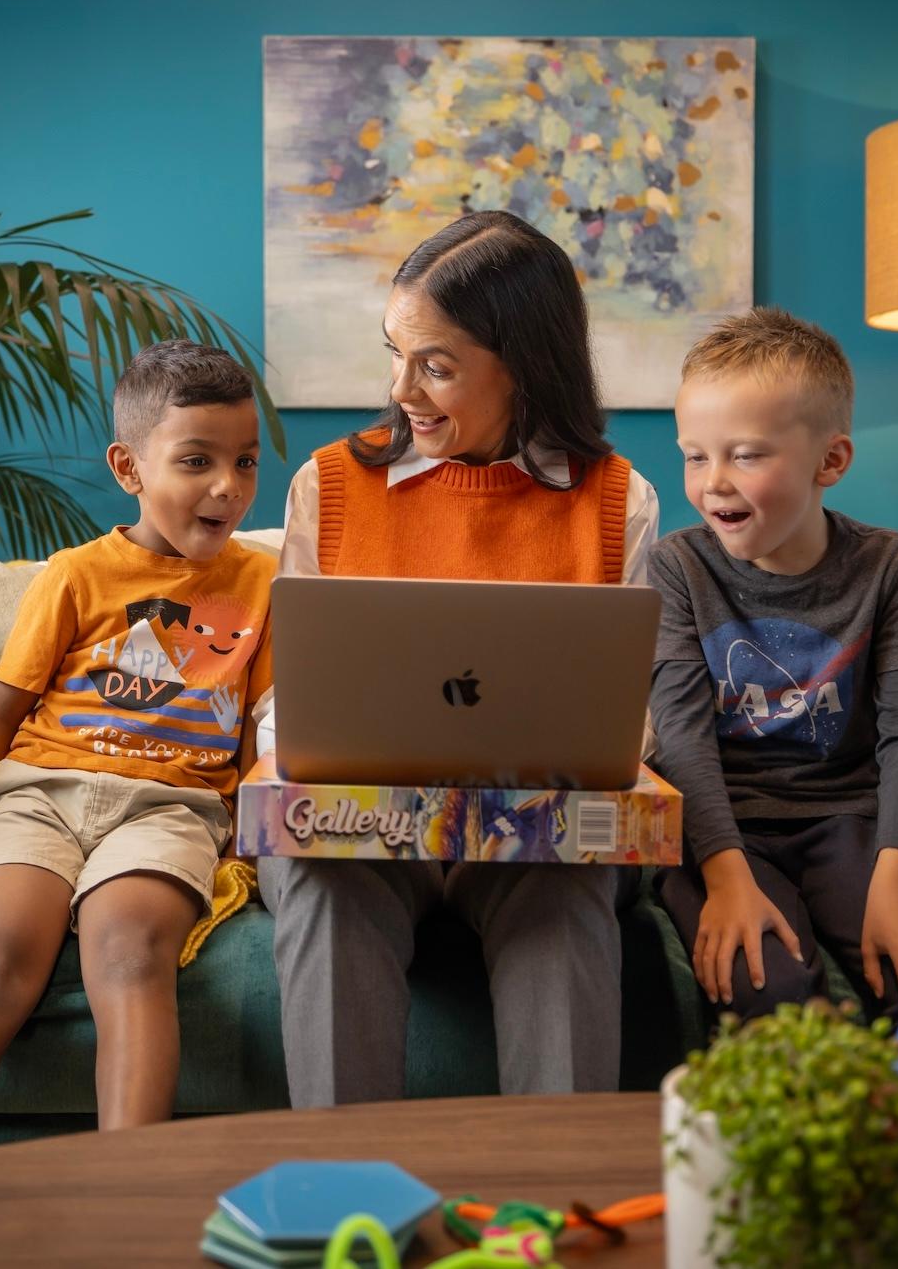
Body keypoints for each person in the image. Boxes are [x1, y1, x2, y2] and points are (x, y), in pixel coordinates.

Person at [257, 210, 660, 1106]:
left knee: (564, 905)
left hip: (536, 838)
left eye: (436, 366)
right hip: (358, 835)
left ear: (525, 366)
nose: (402, 387)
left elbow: (631, 718)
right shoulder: (327, 484)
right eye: (395, 353)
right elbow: (288, 699)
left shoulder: (617, 500)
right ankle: (345, 1213)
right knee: (324, 886)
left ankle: (556, 1222)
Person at [0, 340, 274, 1161]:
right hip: (39, 795)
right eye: (197, 461)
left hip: (171, 809)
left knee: (132, 958)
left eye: (245, 463)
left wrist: (250, 841)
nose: (227, 488)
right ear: (129, 467)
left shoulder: (266, 585)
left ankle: (120, 1208)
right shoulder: (73, 575)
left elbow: (259, 733)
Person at [647, 307, 898, 1024]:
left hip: (848, 824)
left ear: (830, 461)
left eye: (746, 454)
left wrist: (897, 886)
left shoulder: (891, 566)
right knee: (766, 987)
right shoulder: (678, 565)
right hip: (722, 831)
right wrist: (726, 877)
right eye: (695, 456)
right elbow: (681, 737)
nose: (713, 483)